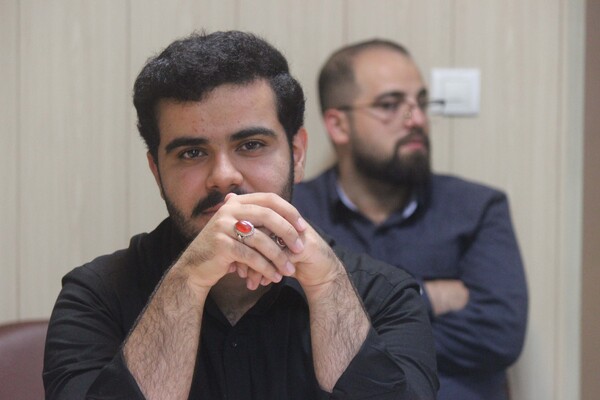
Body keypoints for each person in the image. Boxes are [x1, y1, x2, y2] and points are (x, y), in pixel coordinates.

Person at [42, 31, 439, 400]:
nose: (224, 175)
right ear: (157, 172)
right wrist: (188, 279)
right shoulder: (96, 295)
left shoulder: (384, 294)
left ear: (297, 155)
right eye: (192, 153)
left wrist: (326, 287)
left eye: (251, 145)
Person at [293, 39, 528, 400]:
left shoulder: (477, 208)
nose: (417, 119)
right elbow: (286, 340)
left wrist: (345, 333)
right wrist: (425, 296)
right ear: (338, 125)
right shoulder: (297, 215)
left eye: (421, 102)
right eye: (390, 105)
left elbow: (500, 336)